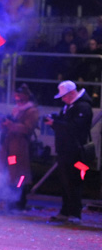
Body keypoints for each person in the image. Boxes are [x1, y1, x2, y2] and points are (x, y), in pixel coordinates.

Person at [46, 80, 93, 225]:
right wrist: (56, 121)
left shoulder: (83, 107)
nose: (62, 99)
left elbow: (75, 128)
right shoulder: (69, 107)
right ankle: (66, 211)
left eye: (64, 96)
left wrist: (56, 123)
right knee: (65, 181)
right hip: (65, 150)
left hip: (75, 151)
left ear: (72, 93)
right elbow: (66, 126)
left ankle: (75, 213)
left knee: (74, 181)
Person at [3, 84, 40, 209]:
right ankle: (12, 200)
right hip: (12, 146)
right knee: (12, 172)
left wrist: (12, 125)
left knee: (20, 174)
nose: (16, 99)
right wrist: (5, 124)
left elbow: (28, 128)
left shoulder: (31, 111)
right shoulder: (17, 109)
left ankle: (20, 201)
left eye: (19, 96)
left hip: (21, 147)